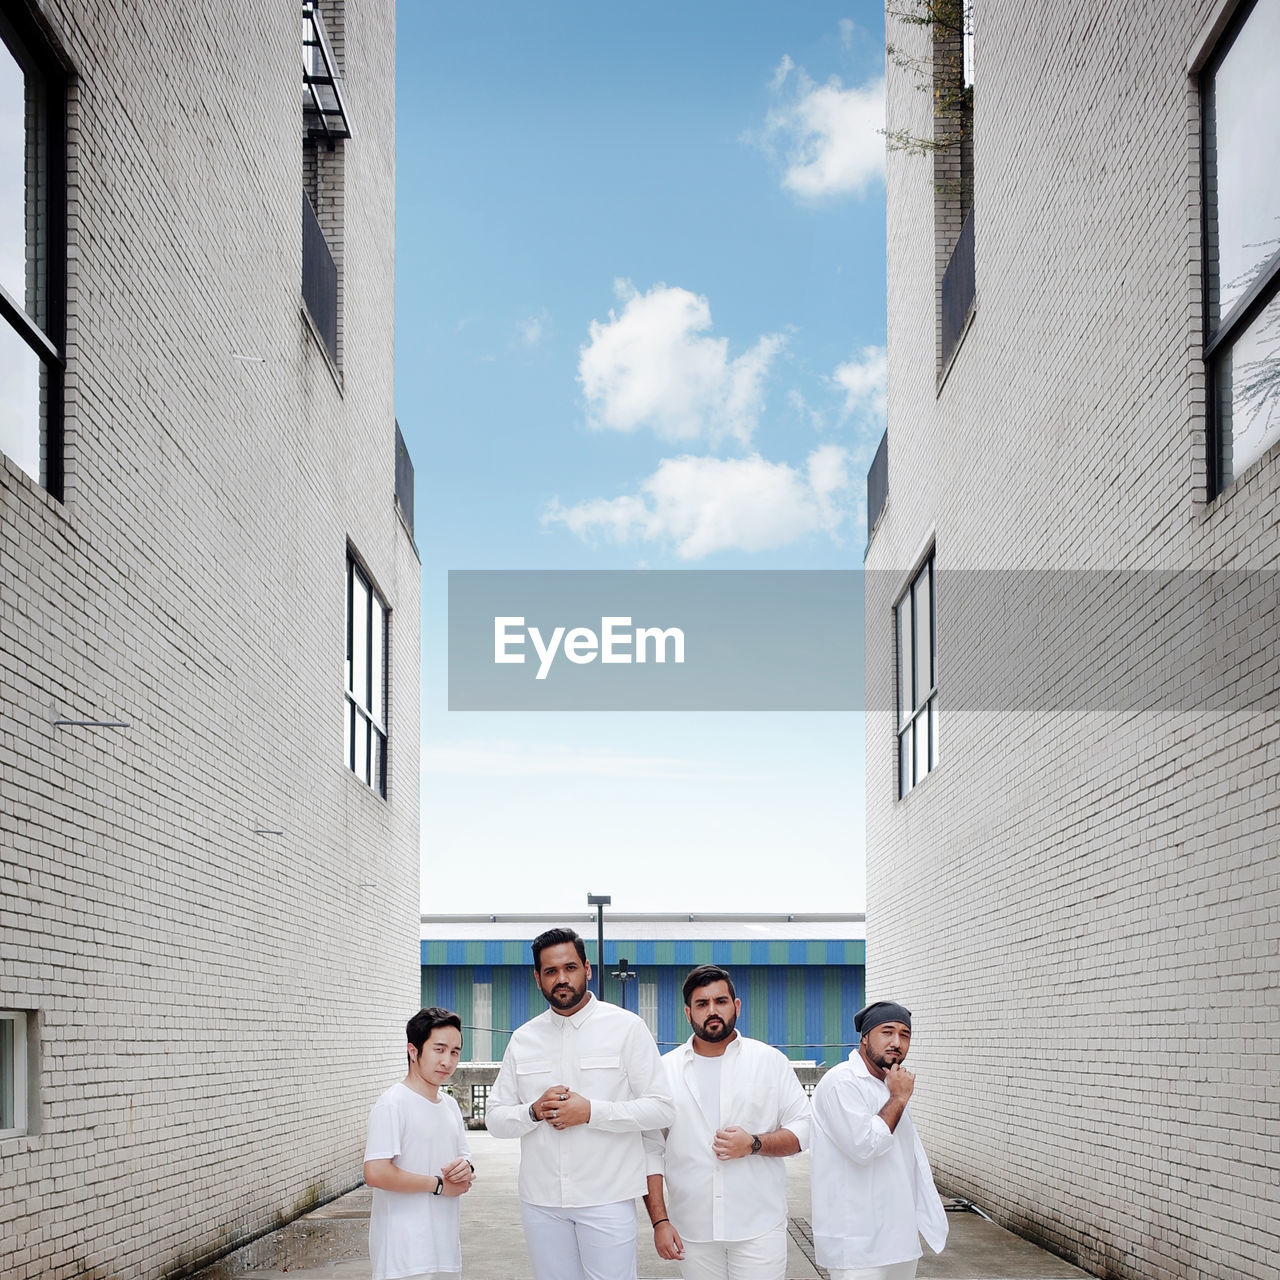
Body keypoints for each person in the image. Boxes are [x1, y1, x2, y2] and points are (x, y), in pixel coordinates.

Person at [487, 926, 675, 1280]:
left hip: (607, 1197)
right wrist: (532, 1111)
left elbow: (662, 1107)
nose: (562, 978)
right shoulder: (523, 1038)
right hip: (542, 1201)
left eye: (570, 968)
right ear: (537, 978)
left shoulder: (627, 1028)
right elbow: (495, 1118)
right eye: (551, 971)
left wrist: (592, 1112)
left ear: (587, 969)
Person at [642, 965, 810, 1280]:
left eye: (720, 1001)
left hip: (759, 1225)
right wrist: (660, 1222)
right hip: (692, 1228)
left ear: (737, 1005)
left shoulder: (769, 1062)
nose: (712, 1010)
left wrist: (755, 1144)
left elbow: (804, 1128)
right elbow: (650, 1149)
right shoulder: (664, 1072)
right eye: (702, 1004)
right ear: (687, 1012)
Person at [810, 1000, 948, 1280]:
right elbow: (864, 1146)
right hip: (857, 1243)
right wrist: (898, 1098)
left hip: (899, 1239)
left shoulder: (888, 1084)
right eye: (887, 1032)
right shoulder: (842, 1083)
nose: (896, 1042)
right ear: (864, 1038)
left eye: (904, 1035)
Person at [363, 1007, 476, 1280]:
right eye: (439, 1049)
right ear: (413, 1051)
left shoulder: (449, 1105)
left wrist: (466, 1171)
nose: (447, 1061)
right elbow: (375, 1172)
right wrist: (438, 1185)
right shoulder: (393, 1103)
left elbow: (465, 1161)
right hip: (404, 1256)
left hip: (445, 1252)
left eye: (454, 1052)